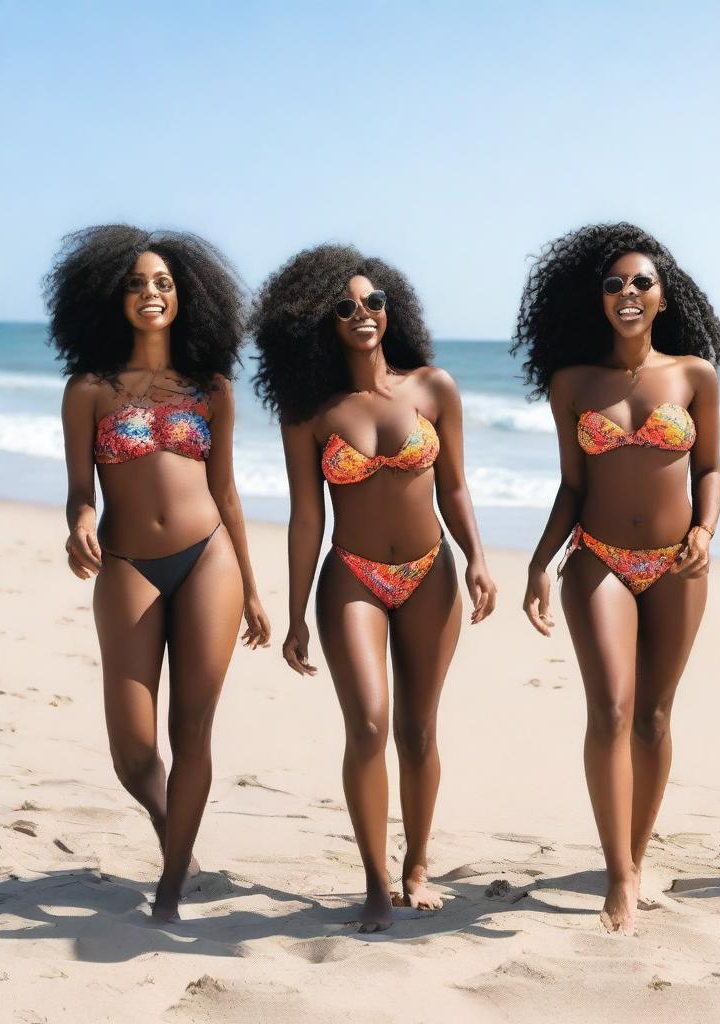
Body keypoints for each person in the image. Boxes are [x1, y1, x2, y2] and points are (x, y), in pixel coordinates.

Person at [253, 244, 496, 932]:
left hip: (431, 571)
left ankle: (417, 866)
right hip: (352, 577)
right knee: (367, 725)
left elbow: (452, 486)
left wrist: (478, 557)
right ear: (319, 322)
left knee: (418, 731)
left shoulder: (433, 388)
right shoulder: (309, 412)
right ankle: (373, 880)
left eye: (374, 301)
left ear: (392, 310)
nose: (363, 314)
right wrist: (295, 611)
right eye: (345, 306)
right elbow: (307, 516)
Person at [49, 225, 270, 922]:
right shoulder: (89, 388)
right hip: (126, 564)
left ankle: (170, 890)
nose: (152, 293)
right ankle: (170, 824)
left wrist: (257, 591)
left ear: (187, 297)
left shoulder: (210, 387)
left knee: (191, 730)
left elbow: (227, 491)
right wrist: (80, 523)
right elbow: (81, 489)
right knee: (134, 748)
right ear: (112, 298)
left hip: (209, 556)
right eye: (138, 283)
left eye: (165, 283)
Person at [512, 223, 720, 934]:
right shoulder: (572, 384)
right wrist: (541, 563)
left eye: (641, 284)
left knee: (657, 715)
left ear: (664, 297)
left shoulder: (695, 375)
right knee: (611, 710)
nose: (627, 294)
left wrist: (703, 532)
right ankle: (620, 876)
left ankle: (636, 850)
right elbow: (572, 487)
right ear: (598, 301)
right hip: (598, 557)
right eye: (614, 285)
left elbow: (710, 470)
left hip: (676, 564)